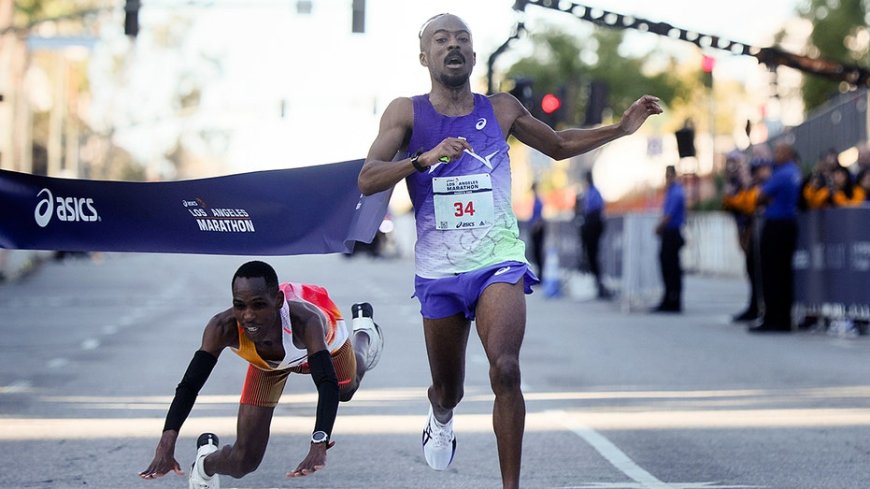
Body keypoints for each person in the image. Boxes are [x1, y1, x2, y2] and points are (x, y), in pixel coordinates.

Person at [356, 13, 662, 489]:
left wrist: (621, 129)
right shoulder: (406, 113)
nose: (453, 45)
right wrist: (423, 159)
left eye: (462, 39)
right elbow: (367, 176)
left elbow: (558, 145)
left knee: (506, 369)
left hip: (497, 260)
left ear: (473, 55)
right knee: (449, 389)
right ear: (424, 56)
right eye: (441, 39)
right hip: (439, 271)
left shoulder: (500, 109)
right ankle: (441, 413)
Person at [138, 260, 384, 488]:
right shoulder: (221, 327)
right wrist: (166, 443)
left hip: (326, 347)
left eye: (258, 305)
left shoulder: (306, 321)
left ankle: (363, 333)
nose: (248, 316)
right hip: (268, 366)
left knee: (345, 390)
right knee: (244, 461)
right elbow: (190, 385)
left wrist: (319, 443)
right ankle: (203, 465)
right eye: (240, 305)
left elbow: (326, 383)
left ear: (277, 301)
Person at [750, 142, 802, 333]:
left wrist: (765, 196)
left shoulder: (782, 174)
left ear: (788, 154)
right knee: (784, 274)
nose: (775, 155)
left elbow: (760, 196)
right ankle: (784, 319)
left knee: (772, 273)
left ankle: (773, 318)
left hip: (777, 225)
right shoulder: (794, 172)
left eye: (779, 152)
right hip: (788, 225)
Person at [722, 155, 773, 322]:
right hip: (746, 230)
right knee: (751, 270)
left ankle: (760, 307)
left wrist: (744, 189)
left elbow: (750, 205)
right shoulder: (742, 187)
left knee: (758, 270)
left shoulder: (760, 187)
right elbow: (730, 204)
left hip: (757, 231)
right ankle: (754, 306)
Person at [652, 165, 686, 313]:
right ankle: (669, 298)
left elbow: (669, 215)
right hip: (669, 232)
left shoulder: (676, 192)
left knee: (672, 268)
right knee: (668, 267)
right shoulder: (671, 191)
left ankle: (673, 300)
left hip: (672, 233)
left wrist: (659, 227)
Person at [579, 170, 611, 299]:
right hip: (589, 224)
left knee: (593, 254)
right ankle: (596, 284)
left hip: (593, 224)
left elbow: (596, 209)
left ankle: (599, 284)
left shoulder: (594, 192)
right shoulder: (588, 192)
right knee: (590, 255)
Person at [528, 182, 546, 281]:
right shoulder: (536, 200)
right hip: (536, 229)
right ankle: (539, 274)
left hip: (537, 230)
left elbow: (538, 217)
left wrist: (536, 227)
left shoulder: (538, 200)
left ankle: (541, 275)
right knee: (536, 253)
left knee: (538, 252)